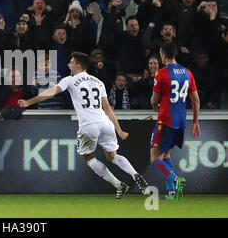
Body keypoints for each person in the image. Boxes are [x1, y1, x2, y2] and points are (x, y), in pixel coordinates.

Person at [18, 52, 149, 199]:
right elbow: (108, 108)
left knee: (88, 158)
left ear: (78, 66)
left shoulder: (70, 80)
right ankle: (135, 174)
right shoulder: (98, 81)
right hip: (105, 123)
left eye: (71, 62)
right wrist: (119, 129)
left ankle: (119, 184)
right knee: (113, 156)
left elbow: (50, 93)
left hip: (89, 125)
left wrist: (28, 102)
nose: (68, 65)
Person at [150, 42, 200, 200]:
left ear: (163, 55)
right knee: (166, 155)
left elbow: (154, 99)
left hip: (165, 120)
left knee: (154, 157)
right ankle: (171, 193)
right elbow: (196, 100)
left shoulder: (161, 73)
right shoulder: (187, 72)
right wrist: (195, 122)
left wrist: (154, 103)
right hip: (181, 121)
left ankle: (175, 179)